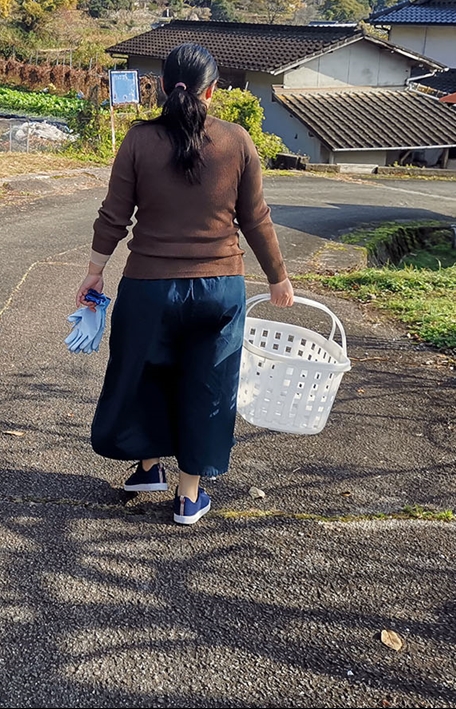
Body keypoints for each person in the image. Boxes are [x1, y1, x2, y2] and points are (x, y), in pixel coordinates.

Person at [76, 43, 294, 525]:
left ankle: (148, 466)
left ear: (160, 86)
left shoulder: (137, 140)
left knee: (146, 372)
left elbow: (114, 216)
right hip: (219, 289)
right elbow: (256, 218)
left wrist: (94, 271)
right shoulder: (237, 140)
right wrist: (278, 277)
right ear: (212, 90)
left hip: (149, 286)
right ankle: (188, 495)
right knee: (207, 385)